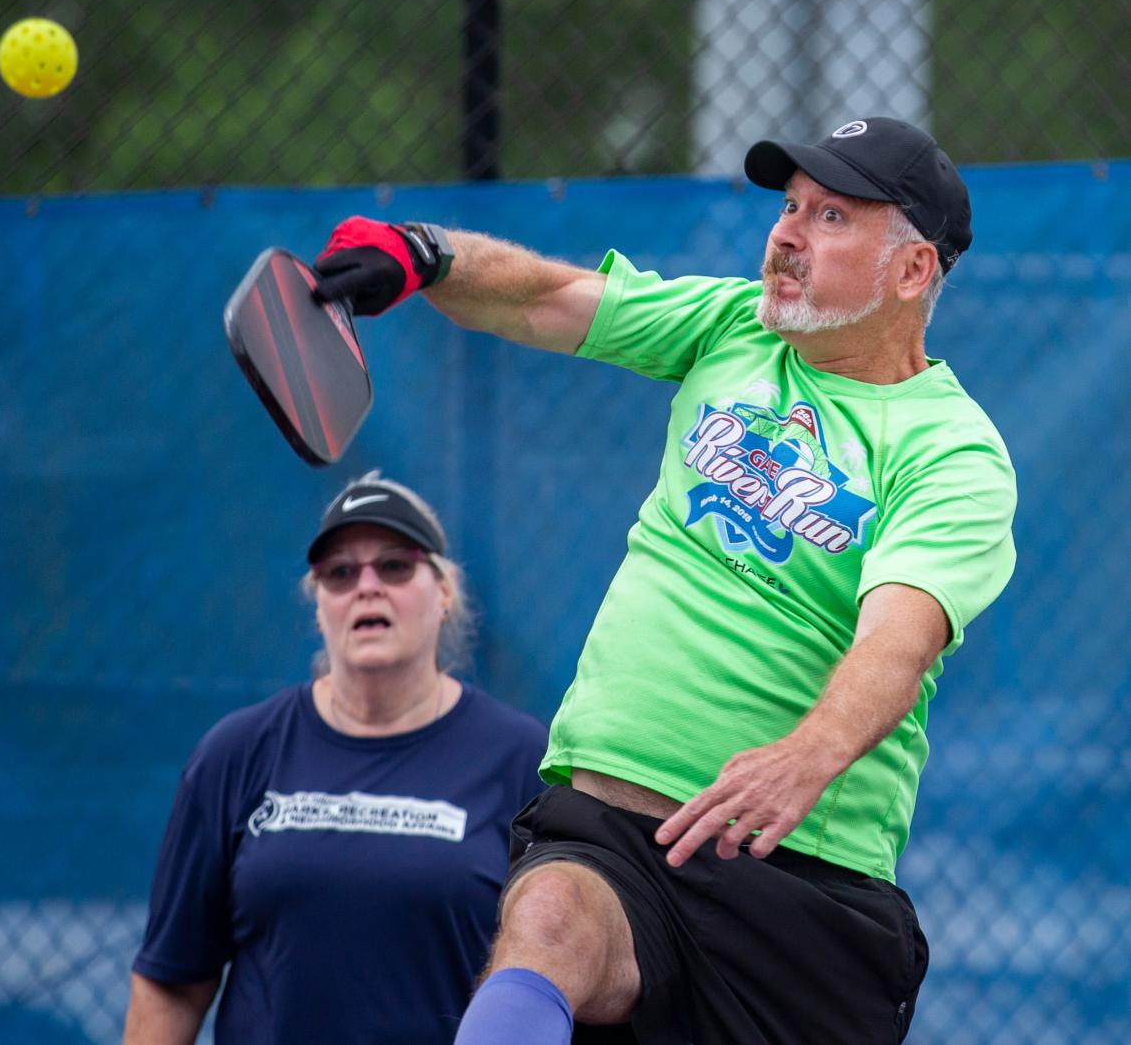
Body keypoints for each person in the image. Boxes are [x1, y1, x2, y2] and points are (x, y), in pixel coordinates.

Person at [308, 117, 1017, 1045]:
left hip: (799, 881)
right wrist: (424, 253)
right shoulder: (732, 327)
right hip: (606, 827)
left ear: (913, 270)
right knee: (548, 923)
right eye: (790, 207)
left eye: (831, 216)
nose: (787, 234)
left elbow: (900, 636)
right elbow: (549, 297)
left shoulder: (951, 449)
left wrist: (802, 759)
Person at [123, 472, 548, 1045]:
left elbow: (556, 971)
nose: (366, 587)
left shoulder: (523, 760)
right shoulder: (236, 754)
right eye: (340, 573)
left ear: (444, 593)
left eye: (395, 565)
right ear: (318, 605)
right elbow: (172, 981)